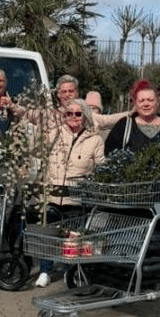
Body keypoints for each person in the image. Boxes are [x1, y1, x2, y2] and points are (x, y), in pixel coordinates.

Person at [34, 98, 105, 288]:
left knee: (72, 238)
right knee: (48, 235)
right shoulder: (53, 134)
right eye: (69, 113)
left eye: (78, 114)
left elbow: (101, 167)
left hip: (76, 198)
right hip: (52, 194)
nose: (73, 117)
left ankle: (69, 272)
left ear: (85, 116)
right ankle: (45, 271)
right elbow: (37, 154)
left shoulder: (95, 140)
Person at [105, 80, 160, 153]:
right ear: (135, 103)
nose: (146, 104)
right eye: (141, 101)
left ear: (157, 102)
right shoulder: (124, 125)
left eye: (150, 100)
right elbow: (109, 154)